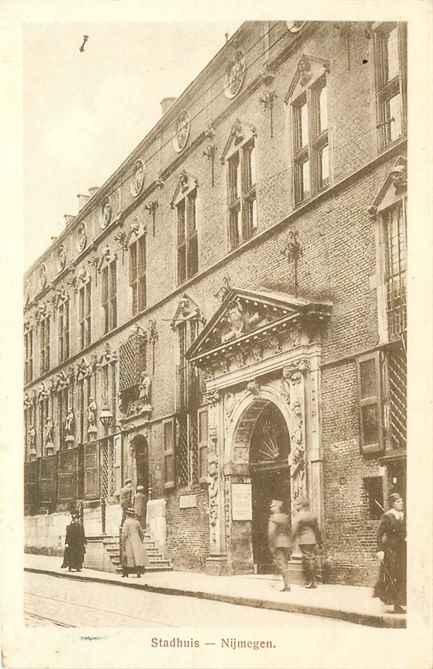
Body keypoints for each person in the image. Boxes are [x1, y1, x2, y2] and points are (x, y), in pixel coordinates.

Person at [373, 492, 406, 613]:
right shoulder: (387, 516)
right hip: (391, 550)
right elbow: (379, 534)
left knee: (402, 575)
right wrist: (380, 549)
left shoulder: (403, 515)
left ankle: (401, 602)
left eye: (401, 501)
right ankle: (395, 604)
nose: (401, 503)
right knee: (392, 576)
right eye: (398, 501)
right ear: (393, 504)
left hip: (402, 549)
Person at [291, 497, 323, 589]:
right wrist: (320, 541)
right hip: (313, 540)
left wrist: (290, 541)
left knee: (308, 560)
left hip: (304, 541)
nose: (295, 506)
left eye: (297, 504)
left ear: (302, 505)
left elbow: (294, 530)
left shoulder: (299, 516)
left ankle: (311, 581)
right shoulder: (312, 515)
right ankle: (313, 580)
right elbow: (317, 530)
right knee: (311, 559)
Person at [268, 499, 291, 592]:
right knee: (285, 563)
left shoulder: (273, 518)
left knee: (281, 565)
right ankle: (286, 584)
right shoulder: (286, 517)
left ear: (278, 508)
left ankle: (287, 585)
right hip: (287, 542)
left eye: (273, 506)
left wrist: (271, 545)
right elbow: (289, 530)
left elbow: (271, 533)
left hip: (277, 543)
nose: (271, 507)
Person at [121, 508, 146, 578]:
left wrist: (123, 542)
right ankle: (138, 572)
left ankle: (125, 573)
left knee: (127, 556)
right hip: (137, 540)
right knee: (137, 557)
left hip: (129, 540)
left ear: (128, 515)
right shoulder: (137, 522)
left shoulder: (126, 522)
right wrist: (140, 541)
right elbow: (142, 533)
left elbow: (124, 533)